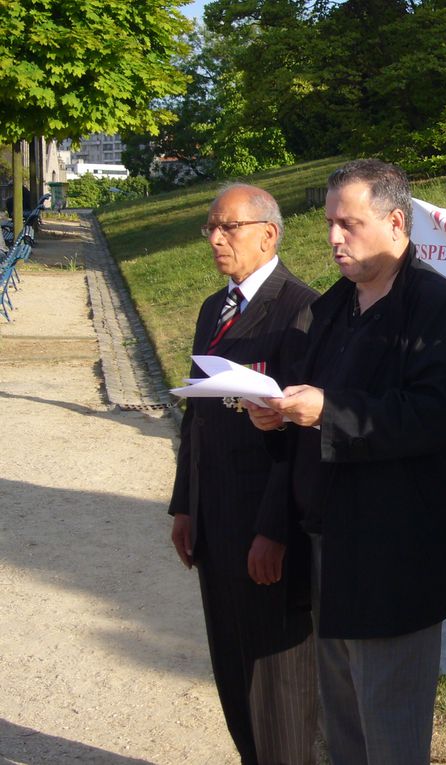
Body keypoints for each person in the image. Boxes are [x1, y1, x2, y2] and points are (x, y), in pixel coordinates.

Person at [248, 159, 446, 765]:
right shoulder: (331, 309)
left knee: (391, 729)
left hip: (393, 555)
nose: (332, 237)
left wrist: (329, 410)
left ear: (396, 221)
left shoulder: (437, 308)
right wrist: (277, 416)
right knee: (344, 724)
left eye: (348, 223)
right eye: (329, 222)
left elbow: (434, 417)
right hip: (328, 546)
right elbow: (311, 416)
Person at [168, 183, 319, 764]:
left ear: (268, 233)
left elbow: (302, 439)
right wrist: (185, 506)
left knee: (276, 684)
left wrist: (276, 530)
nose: (215, 238)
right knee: (231, 670)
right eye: (211, 226)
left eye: (228, 226)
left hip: (265, 527)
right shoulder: (215, 308)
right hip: (215, 520)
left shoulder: (300, 309)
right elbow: (197, 418)